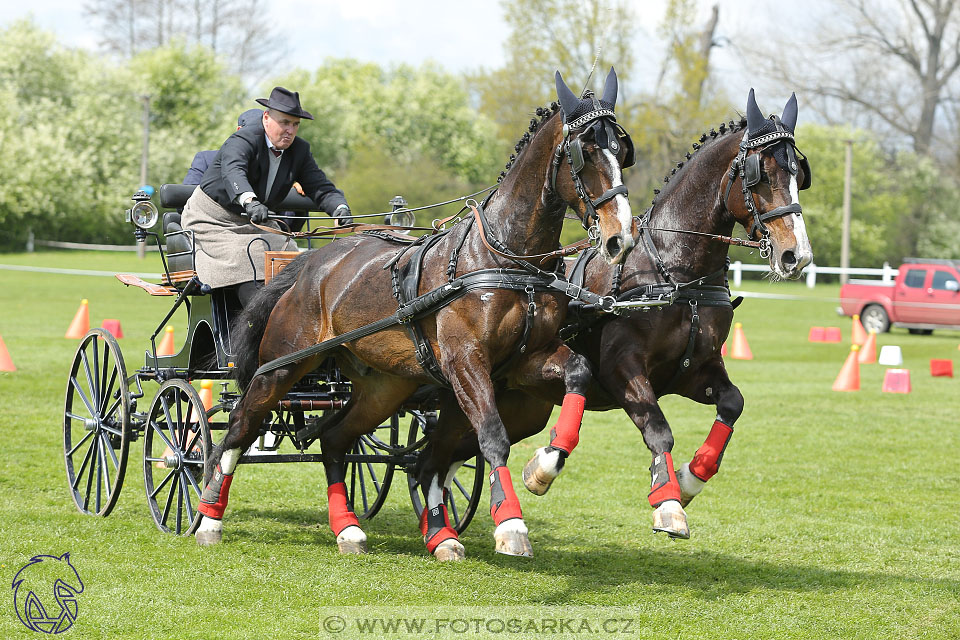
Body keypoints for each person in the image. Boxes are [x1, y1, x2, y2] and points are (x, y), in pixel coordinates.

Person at [181, 87, 351, 305]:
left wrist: (339, 208)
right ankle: (254, 322)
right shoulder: (244, 139)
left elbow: (320, 187)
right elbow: (234, 170)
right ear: (266, 118)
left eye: (295, 124)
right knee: (246, 256)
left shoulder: (300, 150)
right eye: (285, 122)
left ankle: (291, 318)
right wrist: (249, 200)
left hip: (256, 222)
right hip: (212, 219)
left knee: (290, 255)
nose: (290, 130)